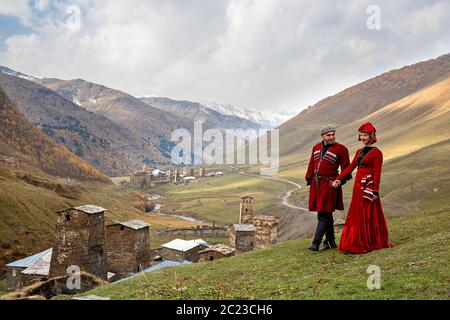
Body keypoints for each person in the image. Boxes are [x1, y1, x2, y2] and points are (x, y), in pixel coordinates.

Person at [332, 122, 395, 254]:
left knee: (367, 213)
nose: (362, 137)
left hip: (368, 186)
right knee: (356, 213)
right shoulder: (359, 152)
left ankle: (368, 241)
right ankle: (354, 241)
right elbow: (350, 167)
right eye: (361, 135)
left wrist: (375, 190)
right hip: (357, 186)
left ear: (371, 136)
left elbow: (377, 172)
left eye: (365, 135)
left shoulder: (377, 153)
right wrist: (339, 178)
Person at [305, 124, 351, 251]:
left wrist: (340, 180)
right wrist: (309, 182)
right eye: (328, 135)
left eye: (333, 134)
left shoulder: (341, 149)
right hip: (316, 183)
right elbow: (311, 165)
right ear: (323, 136)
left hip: (330, 184)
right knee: (325, 212)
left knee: (323, 214)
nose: (331, 137)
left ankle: (316, 242)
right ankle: (330, 242)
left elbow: (346, 168)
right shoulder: (316, 147)